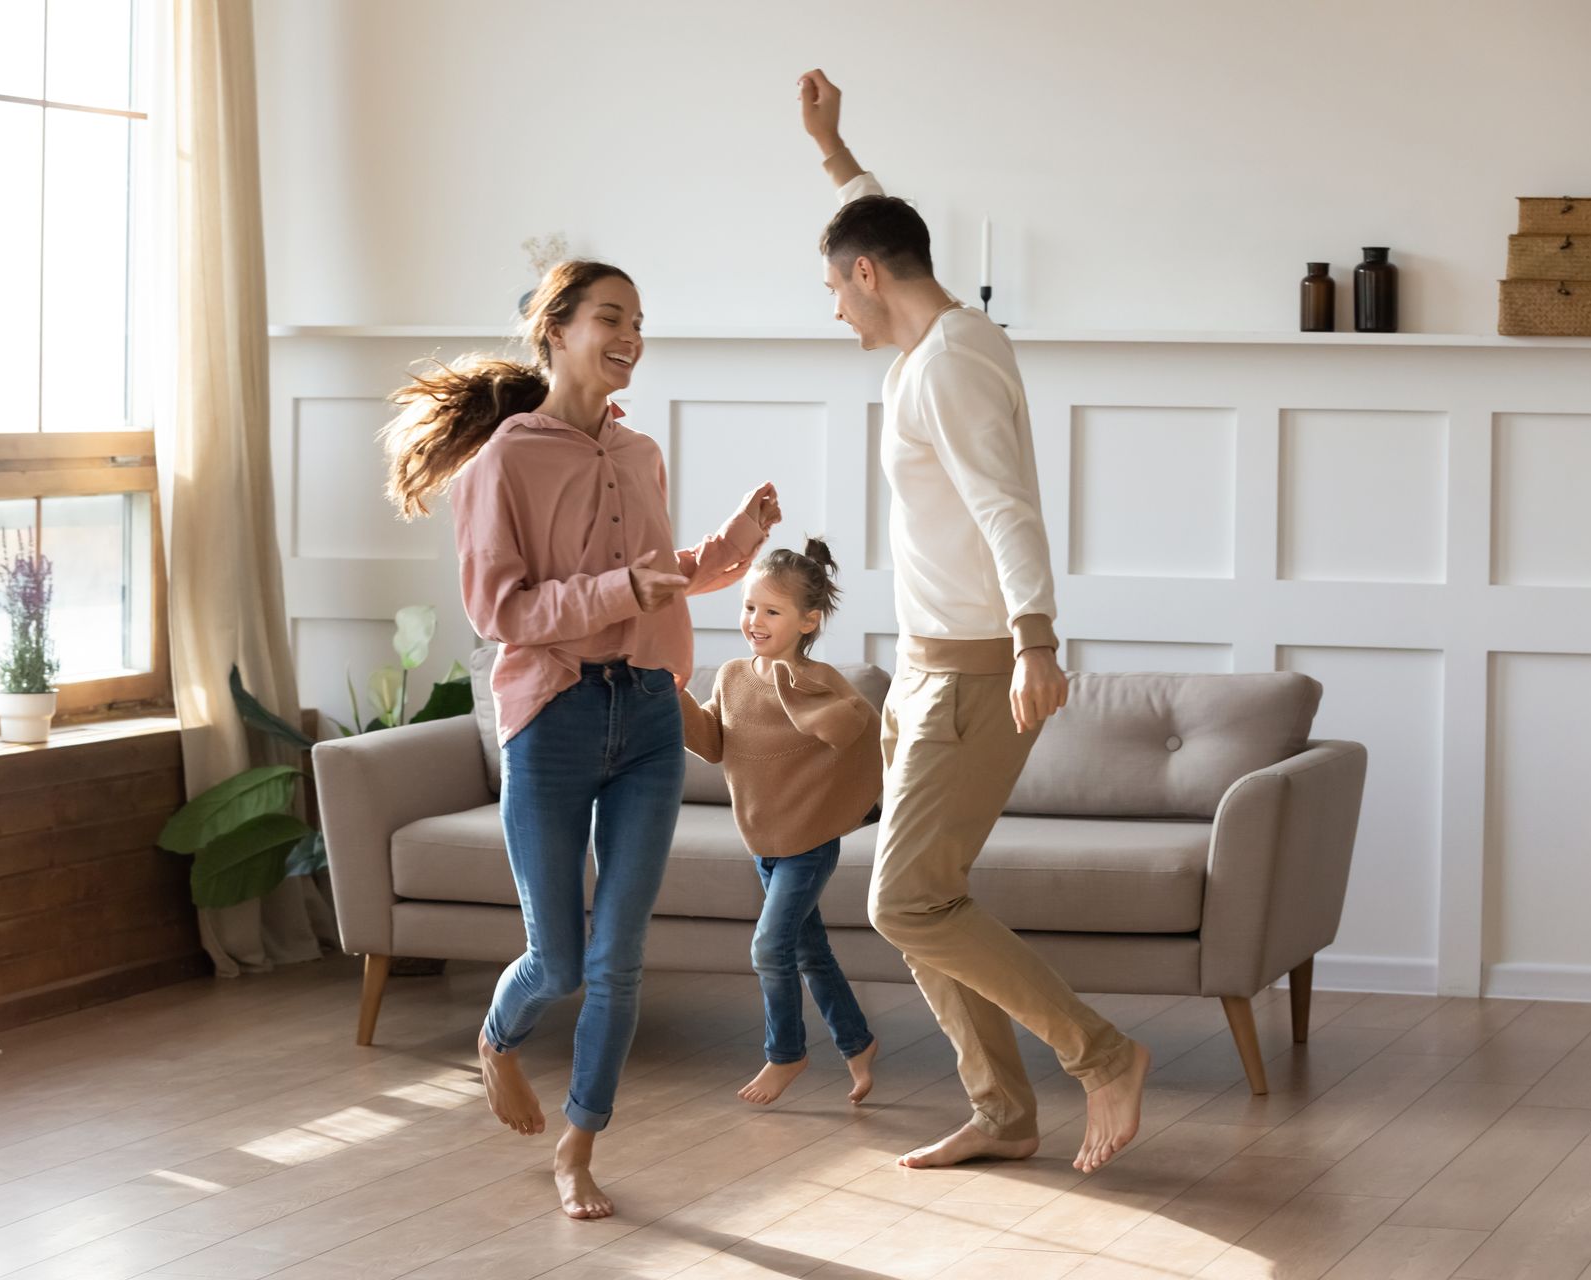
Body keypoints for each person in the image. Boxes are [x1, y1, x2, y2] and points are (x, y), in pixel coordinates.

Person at [795, 70, 1152, 1176]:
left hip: (974, 671)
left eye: (834, 288)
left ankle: (1101, 1053)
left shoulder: (946, 365)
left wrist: (1038, 641)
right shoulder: (942, 338)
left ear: (865, 277)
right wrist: (833, 149)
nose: (833, 307)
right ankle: (1000, 1110)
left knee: (904, 895)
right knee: (920, 900)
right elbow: (879, 220)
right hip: (924, 669)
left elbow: (1007, 508)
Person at [382, 260, 781, 1218]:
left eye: (640, 319)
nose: (631, 333)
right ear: (554, 329)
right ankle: (496, 1038)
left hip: (645, 714)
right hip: (552, 721)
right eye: (612, 317)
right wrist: (618, 592)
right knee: (556, 961)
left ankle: (579, 1148)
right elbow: (498, 610)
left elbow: (652, 576)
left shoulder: (640, 455)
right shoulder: (505, 462)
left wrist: (727, 549)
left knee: (617, 961)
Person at [679, 540, 882, 1107]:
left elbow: (849, 728)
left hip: (808, 842)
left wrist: (795, 692)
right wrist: (675, 701)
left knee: (769, 948)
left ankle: (784, 1053)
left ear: (808, 620)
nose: (754, 621)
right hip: (762, 839)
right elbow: (714, 743)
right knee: (808, 951)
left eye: (771, 611)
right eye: (749, 607)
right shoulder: (732, 675)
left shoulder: (821, 680)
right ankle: (858, 1044)